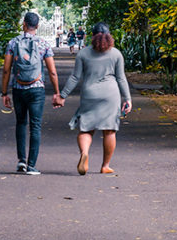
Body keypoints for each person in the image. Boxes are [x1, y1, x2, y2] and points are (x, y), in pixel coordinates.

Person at [53, 23, 132, 175]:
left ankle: (84, 153)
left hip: (90, 94)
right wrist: (127, 99)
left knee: (86, 129)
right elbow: (121, 78)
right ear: (109, 35)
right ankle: (105, 166)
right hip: (111, 95)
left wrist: (62, 96)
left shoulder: (83, 54)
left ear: (92, 35)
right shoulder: (116, 54)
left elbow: (75, 77)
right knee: (109, 131)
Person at [1, 12, 60, 175]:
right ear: (38, 26)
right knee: (35, 126)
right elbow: (52, 71)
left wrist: (4, 92)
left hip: (18, 89)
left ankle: (21, 161)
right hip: (37, 89)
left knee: (21, 123)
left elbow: (6, 70)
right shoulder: (43, 44)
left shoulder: (13, 43)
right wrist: (57, 93)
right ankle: (32, 165)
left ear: (24, 24)